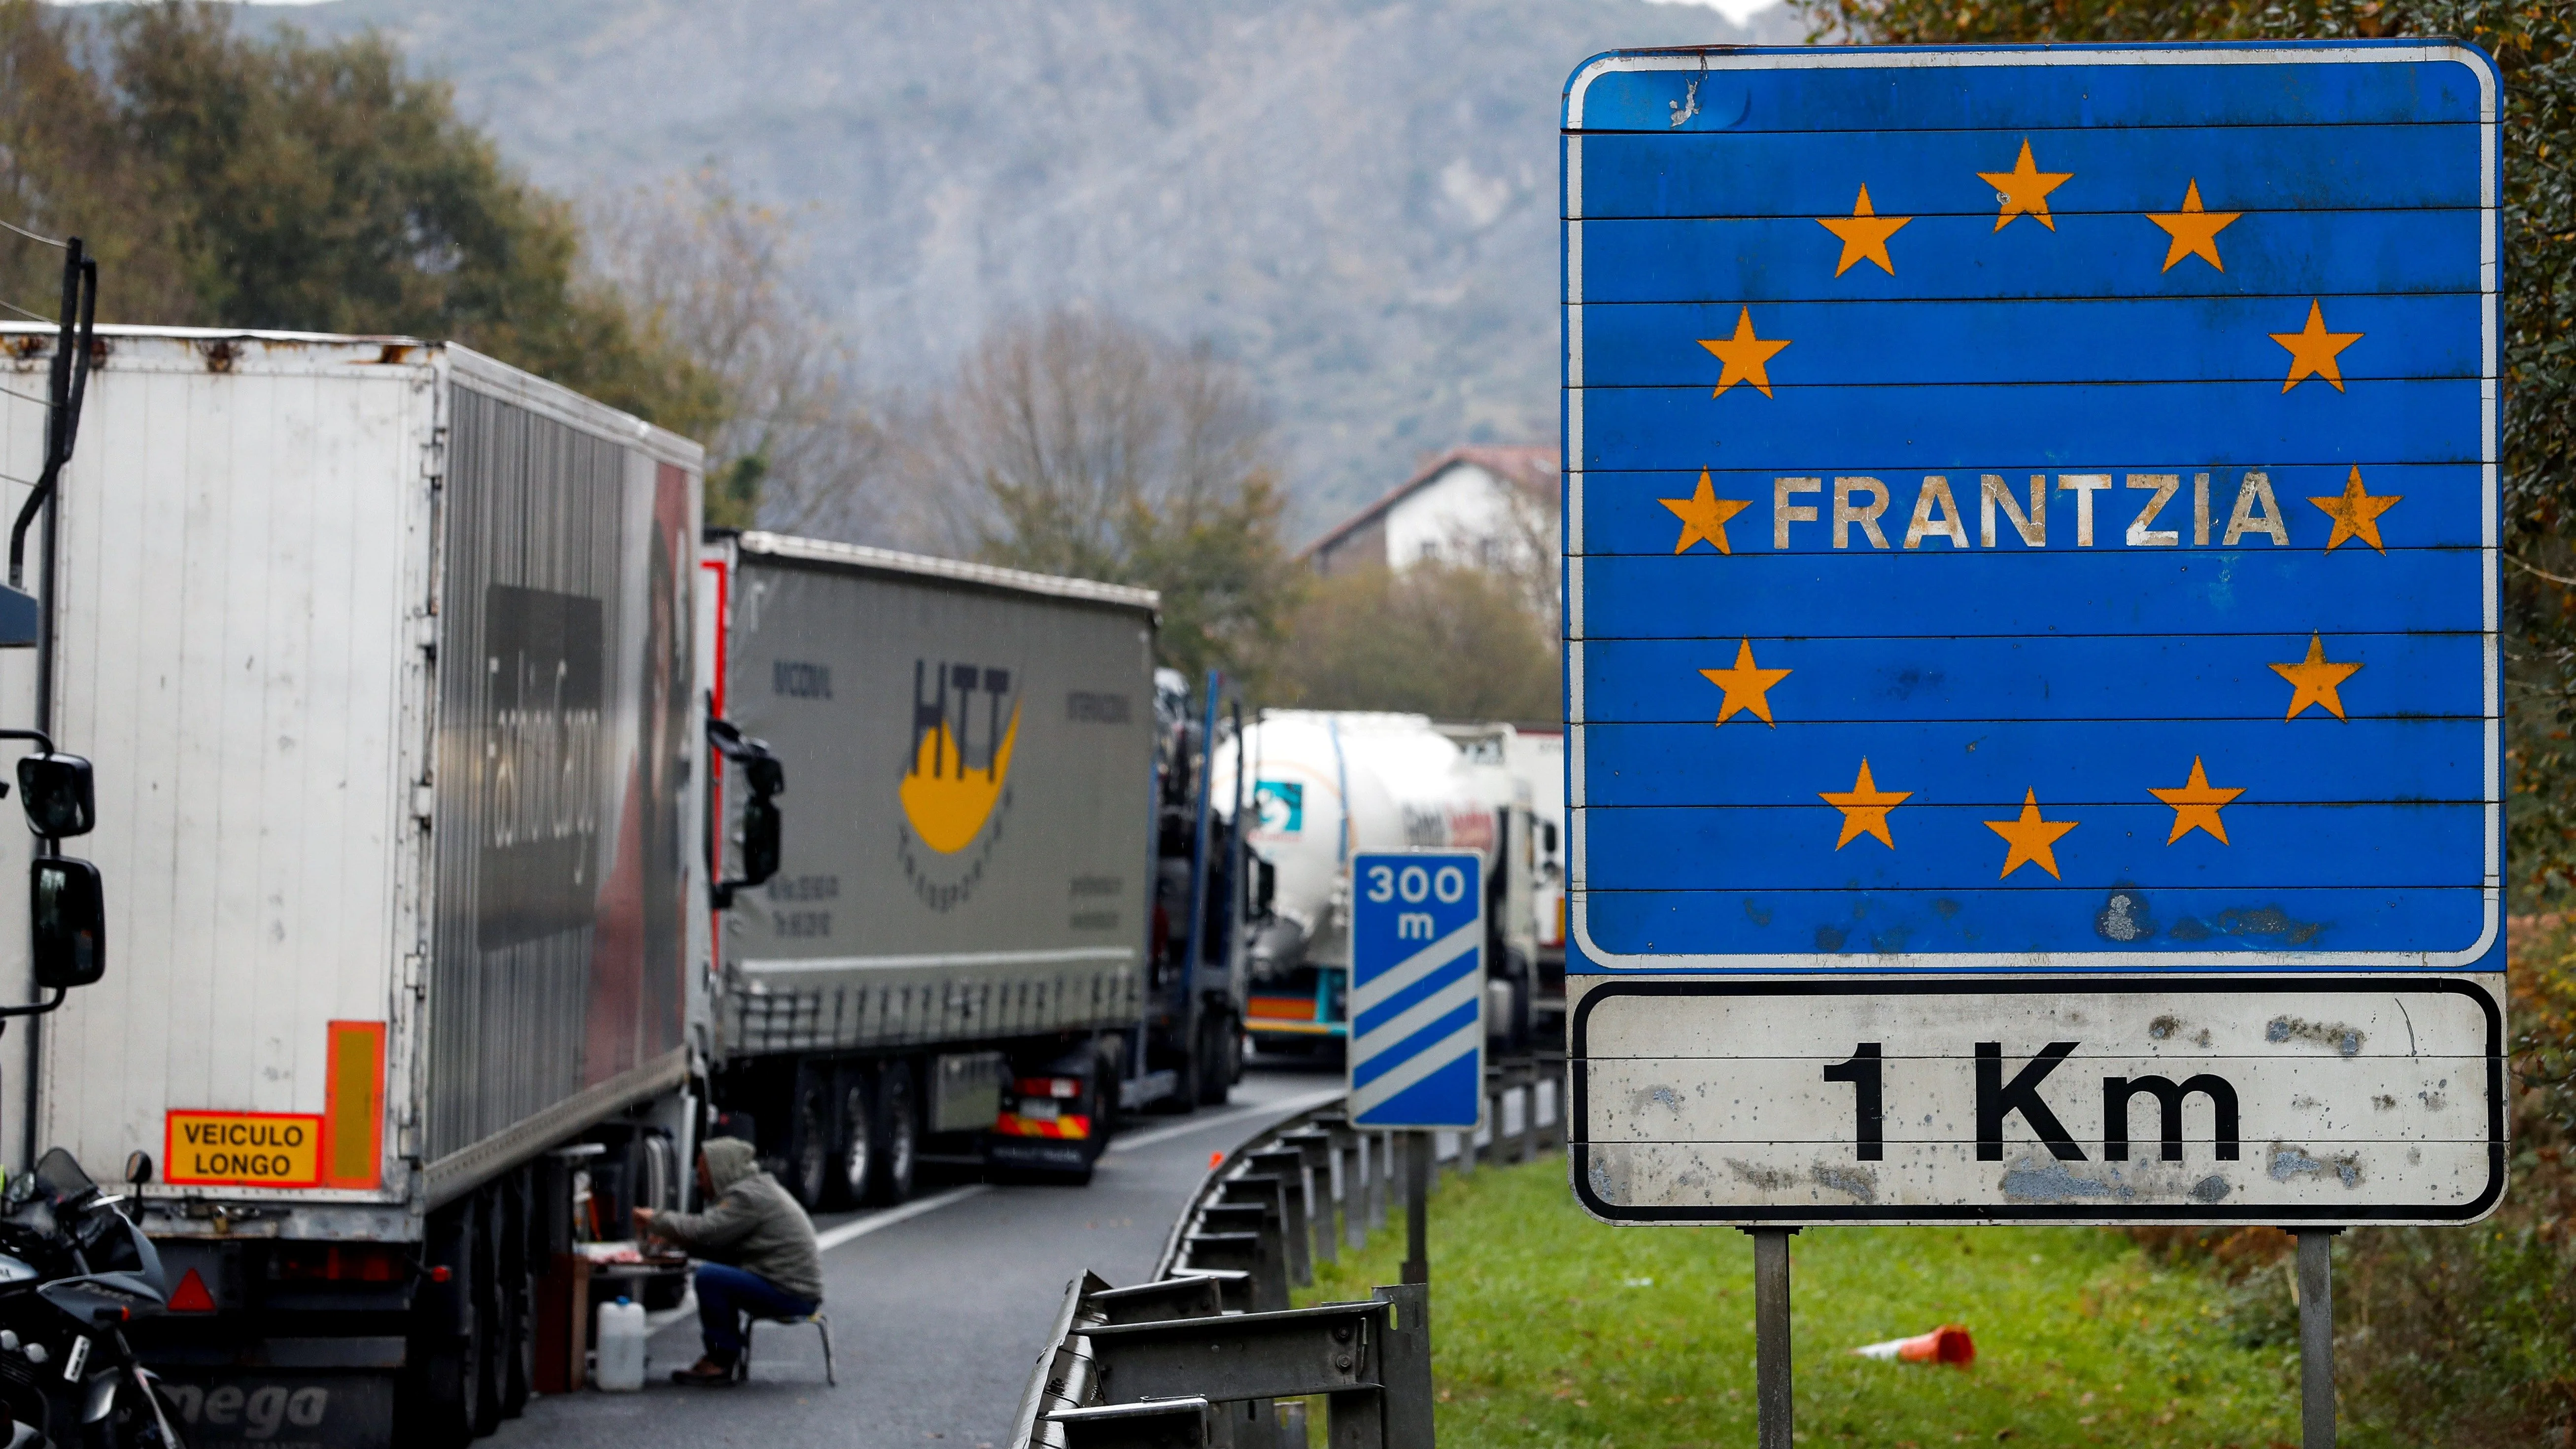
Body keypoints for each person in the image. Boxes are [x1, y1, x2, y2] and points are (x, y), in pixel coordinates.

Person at [634, 1136, 824, 1386]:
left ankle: (721, 1359)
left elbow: (705, 1231)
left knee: (710, 1278)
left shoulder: (749, 1197)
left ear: (720, 1170)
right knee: (716, 1274)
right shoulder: (754, 1190)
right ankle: (724, 1352)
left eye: (703, 1175)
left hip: (791, 1293)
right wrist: (678, 1243)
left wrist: (656, 1219)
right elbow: (721, 1245)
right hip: (789, 1287)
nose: (699, 1184)